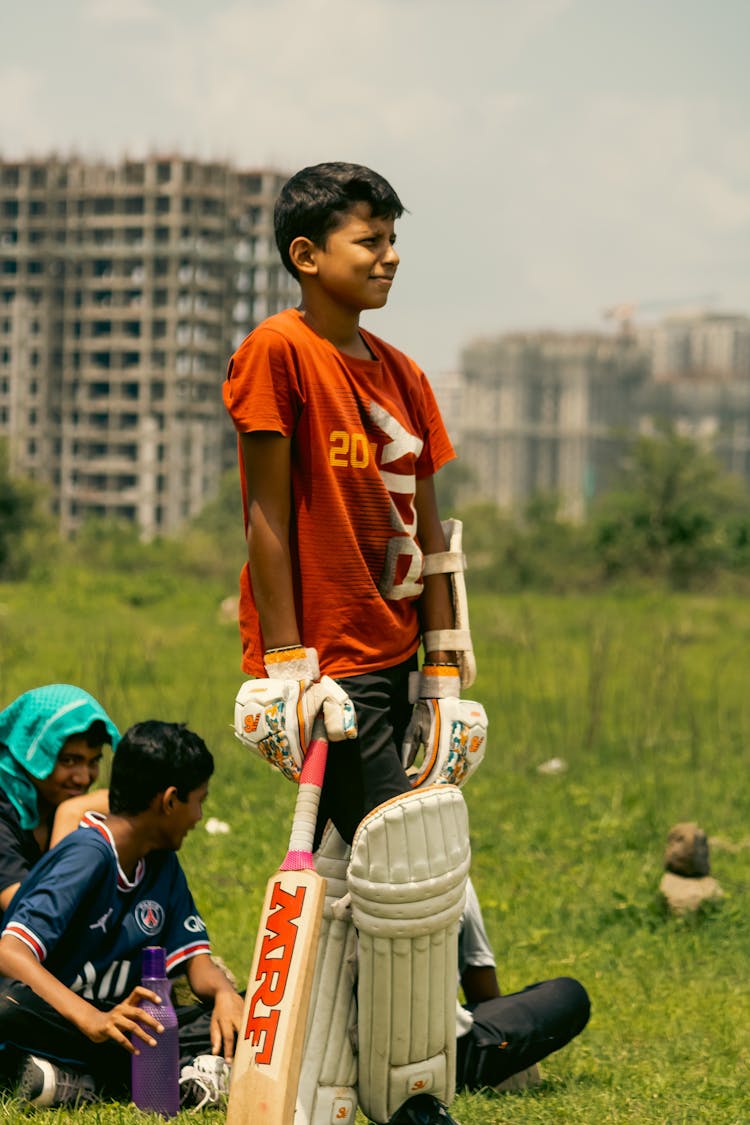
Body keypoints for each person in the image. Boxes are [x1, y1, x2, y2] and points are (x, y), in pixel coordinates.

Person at [224, 163, 478, 1125]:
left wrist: (446, 670)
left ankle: (330, 1077)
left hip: (402, 657)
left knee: (369, 867)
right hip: (329, 662)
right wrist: (290, 665)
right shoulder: (277, 353)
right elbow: (264, 512)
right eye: (369, 240)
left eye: (392, 238)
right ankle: (412, 1098)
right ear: (307, 255)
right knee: (400, 867)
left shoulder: (404, 374)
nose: (390, 256)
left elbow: (438, 530)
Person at [0, 720, 245, 1110]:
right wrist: (90, 1018)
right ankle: (166, 1071)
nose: (199, 816)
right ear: (168, 801)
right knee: (7, 1008)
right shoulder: (87, 855)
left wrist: (227, 996)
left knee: (249, 1017)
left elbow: (198, 967)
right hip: (60, 1016)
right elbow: (10, 953)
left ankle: (69, 1079)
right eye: (198, 800)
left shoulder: (164, 864)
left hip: (122, 1025)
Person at [455, 879, 590, 1094]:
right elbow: (483, 991)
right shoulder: (453, 877)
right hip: (450, 1060)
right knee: (568, 993)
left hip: (381, 1062)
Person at [0, 683, 120, 921]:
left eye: (93, 762)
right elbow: (35, 916)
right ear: (31, 753)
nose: (84, 778)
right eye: (68, 761)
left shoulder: (58, 801)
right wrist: (71, 813)